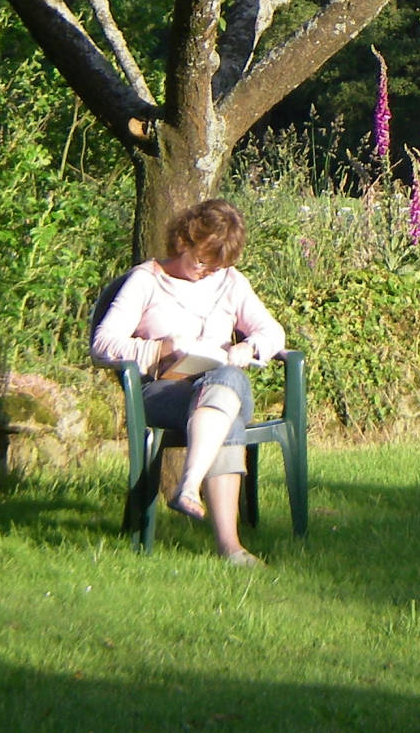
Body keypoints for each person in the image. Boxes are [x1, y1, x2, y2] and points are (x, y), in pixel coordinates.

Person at [91, 198, 283, 566]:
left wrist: (250, 347)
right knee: (227, 410)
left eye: (217, 266)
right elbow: (103, 343)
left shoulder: (230, 282)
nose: (207, 272)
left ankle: (190, 486)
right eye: (201, 261)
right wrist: (160, 348)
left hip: (219, 381)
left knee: (227, 381)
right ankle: (230, 547)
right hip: (164, 390)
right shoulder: (147, 280)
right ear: (184, 240)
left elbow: (272, 331)